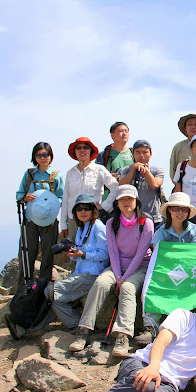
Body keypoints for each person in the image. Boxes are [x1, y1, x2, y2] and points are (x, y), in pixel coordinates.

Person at [70, 185, 154, 358]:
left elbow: (140, 254)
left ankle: (123, 336)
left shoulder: (146, 223)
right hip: (117, 267)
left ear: (136, 201)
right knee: (100, 283)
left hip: (140, 267)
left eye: (129, 199)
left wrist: (123, 279)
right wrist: (117, 276)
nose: (126, 202)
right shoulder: (111, 223)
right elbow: (113, 252)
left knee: (128, 288)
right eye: (122, 199)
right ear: (117, 202)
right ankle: (83, 330)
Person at [48, 194, 109, 330]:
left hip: (92, 275)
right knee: (54, 297)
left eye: (86, 208)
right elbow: (79, 255)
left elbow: (105, 254)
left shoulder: (98, 227)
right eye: (79, 209)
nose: (83, 212)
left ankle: (76, 325)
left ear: (93, 210)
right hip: (80, 273)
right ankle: (75, 323)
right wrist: (74, 255)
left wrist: (84, 255)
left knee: (51, 291)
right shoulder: (81, 229)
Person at [15, 142, 64, 287]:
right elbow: (19, 194)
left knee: (48, 253)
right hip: (30, 219)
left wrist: (50, 204)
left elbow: (61, 197)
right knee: (27, 252)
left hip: (49, 219)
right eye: (39, 155)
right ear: (34, 157)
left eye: (45, 154)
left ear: (50, 156)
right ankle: (24, 286)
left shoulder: (56, 176)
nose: (43, 158)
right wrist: (25, 197)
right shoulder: (29, 174)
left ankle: (44, 285)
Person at [61, 137, 117, 241]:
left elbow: (115, 187)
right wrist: (63, 225)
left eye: (85, 147)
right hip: (73, 219)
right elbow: (66, 199)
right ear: (75, 151)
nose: (82, 150)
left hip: (93, 218)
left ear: (90, 151)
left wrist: (104, 206)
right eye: (78, 148)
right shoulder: (70, 172)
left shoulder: (99, 169)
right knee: (73, 247)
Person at [118, 139, 165, 232]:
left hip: (154, 217)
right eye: (138, 152)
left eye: (145, 152)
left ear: (151, 154)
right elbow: (122, 187)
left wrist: (146, 170)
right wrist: (133, 170)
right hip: (133, 218)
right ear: (133, 154)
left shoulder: (157, 171)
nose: (141, 155)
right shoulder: (127, 170)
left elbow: (154, 185)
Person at [96, 122, 135, 221]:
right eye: (121, 131)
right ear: (112, 135)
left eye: (126, 131)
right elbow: (97, 178)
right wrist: (110, 177)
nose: (124, 133)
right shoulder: (103, 155)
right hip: (110, 201)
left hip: (130, 199)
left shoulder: (133, 153)